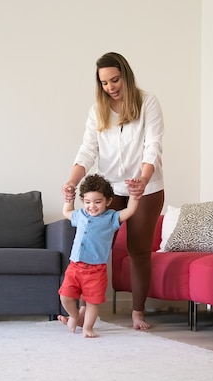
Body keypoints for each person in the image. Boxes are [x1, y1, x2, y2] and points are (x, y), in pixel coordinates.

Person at [61, 52, 165, 331]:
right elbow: (88, 149)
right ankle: (84, 311)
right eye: (104, 83)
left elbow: (152, 145)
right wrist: (72, 181)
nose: (110, 87)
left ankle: (138, 312)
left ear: (126, 76)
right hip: (110, 188)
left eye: (115, 80)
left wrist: (142, 179)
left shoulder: (147, 103)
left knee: (138, 250)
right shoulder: (98, 109)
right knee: (94, 247)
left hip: (146, 187)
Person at [58, 174, 139, 338]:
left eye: (97, 202)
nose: (92, 206)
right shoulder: (80, 215)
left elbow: (130, 210)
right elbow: (66, 211)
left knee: (92, 301)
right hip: (75, 267)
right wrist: (69, 198)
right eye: (87, 202)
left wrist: (134, 195)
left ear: (108, 201)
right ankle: (74, 316)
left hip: (96, 270)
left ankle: (88, 327)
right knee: (65, 296)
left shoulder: (111, 218)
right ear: (83, 201)